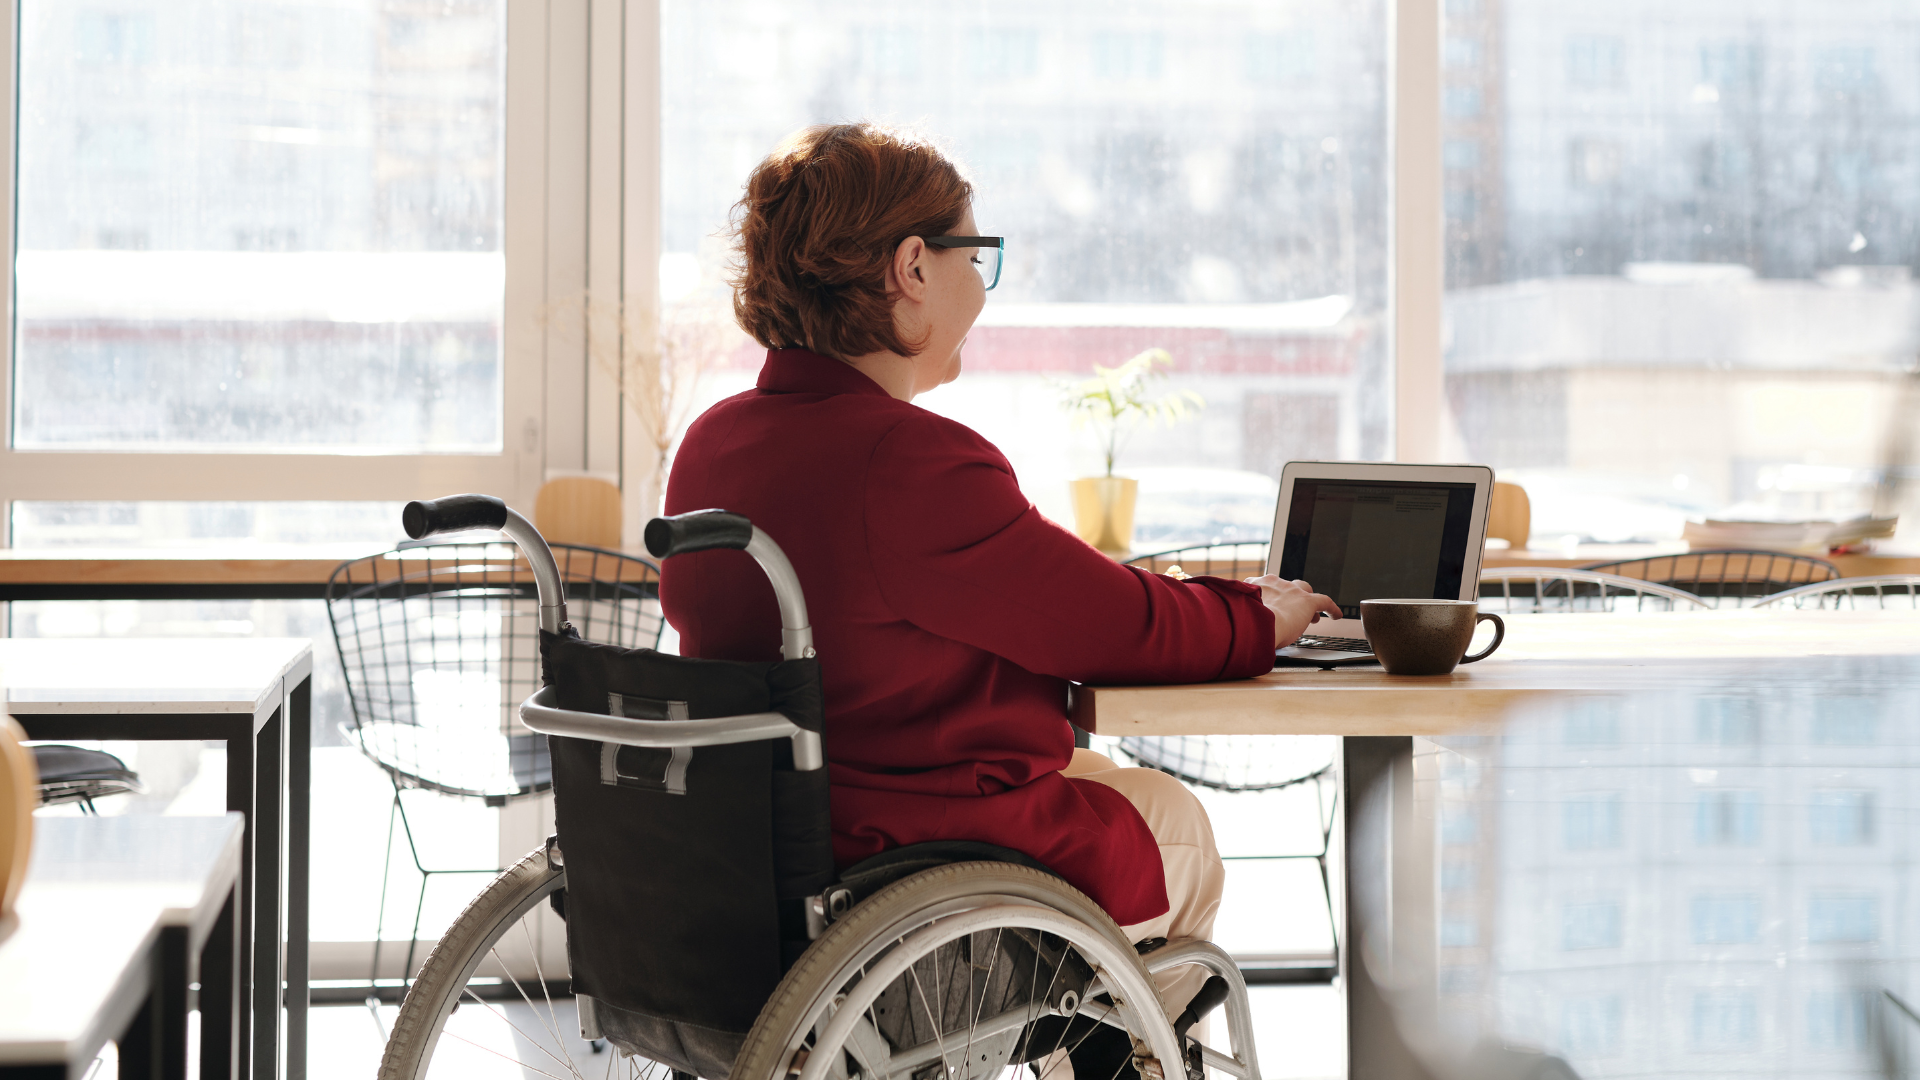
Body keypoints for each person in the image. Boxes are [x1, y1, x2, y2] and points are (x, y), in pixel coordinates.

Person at [658, 121, 1340, 1052]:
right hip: (904, 847)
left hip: (764, 843)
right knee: (1175, 824)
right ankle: (1117, 1050)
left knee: (1110, 784)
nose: (983, 283)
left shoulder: (713, 443)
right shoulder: (905, 459)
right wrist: (1257, 618)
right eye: (977, 255)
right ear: (912, 267)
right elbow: (1114, 626)